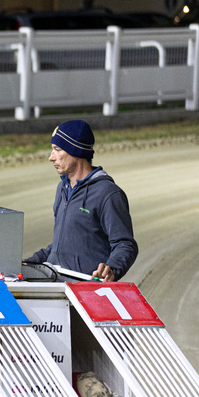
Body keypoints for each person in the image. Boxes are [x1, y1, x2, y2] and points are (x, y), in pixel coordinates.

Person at [24, 120, 137, 281]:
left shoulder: (108, 193)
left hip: (86, 293)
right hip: (56, 286)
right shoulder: (62, 189)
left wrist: (112, 268)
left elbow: (125, 245)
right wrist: (31, 262)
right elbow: (61, 245)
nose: (51, 157)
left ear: (75, 151)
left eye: (57, 150)